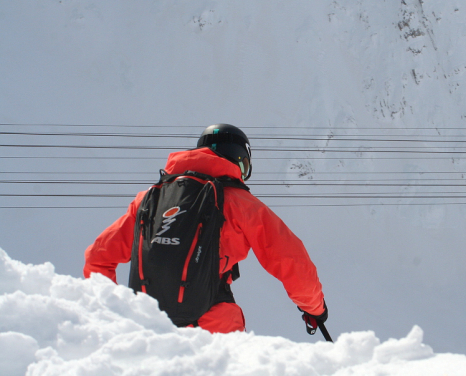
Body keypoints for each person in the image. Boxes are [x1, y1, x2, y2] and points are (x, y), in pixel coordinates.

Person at [84, 124, 327, 334]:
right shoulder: (239, 202)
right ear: (239, 162)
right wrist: (314, 309)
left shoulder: (149, 198)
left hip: (148, 329)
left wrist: (114, 314)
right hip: (213, 327)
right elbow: (291, 259)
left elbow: (97, 258)